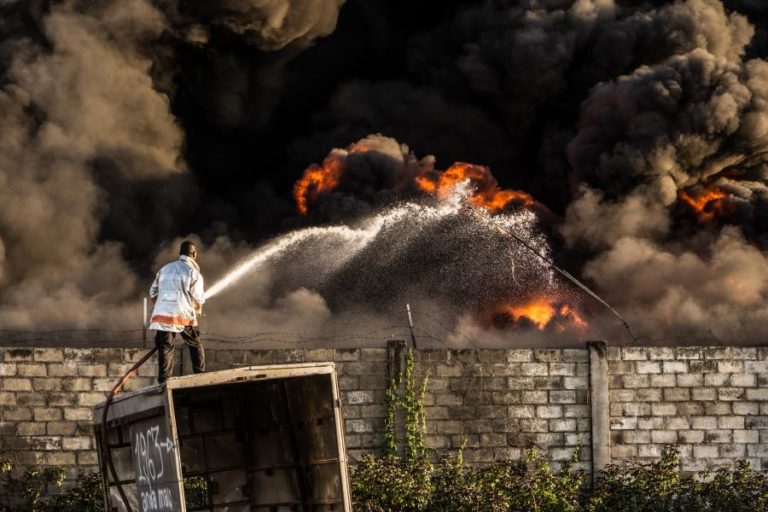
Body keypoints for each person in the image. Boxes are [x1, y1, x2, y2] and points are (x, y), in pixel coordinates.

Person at [149, 240, 206, 383]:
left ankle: (164, 382)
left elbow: (152, 293)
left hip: (162, 316)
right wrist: (197, 308)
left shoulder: (164, 269)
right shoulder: (193, 273)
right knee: (195, 343)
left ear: (180, 253)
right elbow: (199, 298)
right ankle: (200, 376)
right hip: (183, 316)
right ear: (194, 254)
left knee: (165, 347)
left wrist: (162, 306)